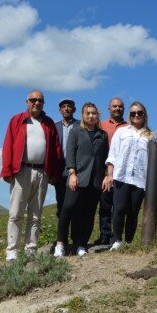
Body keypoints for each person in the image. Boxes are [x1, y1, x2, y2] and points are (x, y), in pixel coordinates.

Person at [0, 90, 62, 261]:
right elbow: (8, 145)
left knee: (36, 214)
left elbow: (56, 150)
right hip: (21, 171)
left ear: (43, 103)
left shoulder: (49, 123)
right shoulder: (17, 120)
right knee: (16, 213)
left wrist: (54, 173)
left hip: (42, 172)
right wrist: (7, 170)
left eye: (40, 100)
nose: (36, 103)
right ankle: (12, 251)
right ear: (27, 102)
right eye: (33, 100)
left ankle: (31, 250)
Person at [55, 102, 109, 257]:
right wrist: (72, 173)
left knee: (88, 213)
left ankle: (81, 244)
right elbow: (70, 154)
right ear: (83, 116)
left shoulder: (102, 135)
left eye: (94, 113)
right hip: (77, 178)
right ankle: (60, 244)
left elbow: (105, 157)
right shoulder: (76, 131)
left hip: (95, 180)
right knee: (67, 209)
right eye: (88, 113)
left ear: (97, 115)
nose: (91, 116)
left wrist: (106, 175)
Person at [104, 102, 155, 251]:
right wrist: (110, 174)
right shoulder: (121, 132)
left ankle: (128, 241)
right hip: (121, 176)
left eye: (139, 112)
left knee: (133, 212)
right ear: (129, 116)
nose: (136, 115)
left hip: (139, 179)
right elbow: (112, 155)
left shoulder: (150, 136)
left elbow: (152, 161)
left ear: (144, 114)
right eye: (133, 113)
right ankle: (117, 240)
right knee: (119, 209)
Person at [95, 97, 127, 245]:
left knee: (120, 205)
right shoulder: (100, 126)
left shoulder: (129, 127)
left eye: (120, 107)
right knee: (105, 204)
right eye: (114, 106)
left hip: (122, 170)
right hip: (104, 170)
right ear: (109, 109)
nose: (117, 109)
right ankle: (105, 235)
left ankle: (118, 236)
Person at [54, 98, 80, 219]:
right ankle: (61, 236)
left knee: (75, 203)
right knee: (61, 202)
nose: (66, 108)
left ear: (74, 109)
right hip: (59, 169)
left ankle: (75, 235)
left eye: (69, 106)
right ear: (60, 110)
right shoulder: (55, 127)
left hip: (77, 169)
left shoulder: (81, 126)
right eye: (63, 106)